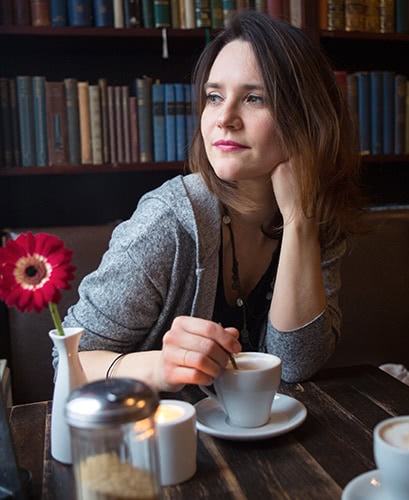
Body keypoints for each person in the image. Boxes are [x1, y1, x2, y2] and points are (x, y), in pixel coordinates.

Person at [61, 10, 364, 393]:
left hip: (265, 443)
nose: (224, 118)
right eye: (214, 97)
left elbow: (296, 364)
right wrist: (162, 367)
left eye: (254, 98)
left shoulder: (318, 217)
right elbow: (67, 364)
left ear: (308, 118)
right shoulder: (167, 223)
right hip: (157, 440)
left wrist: (299, 220)